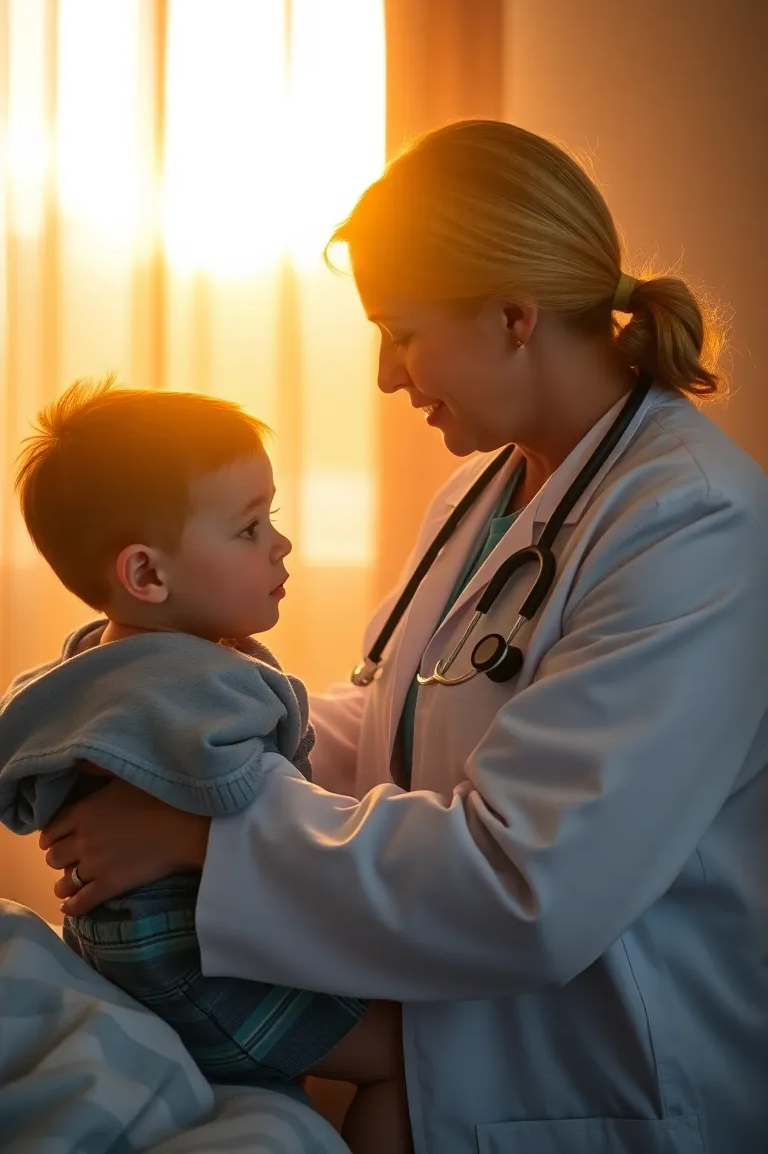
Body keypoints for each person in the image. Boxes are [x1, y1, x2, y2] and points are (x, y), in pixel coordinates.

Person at [41, 121, 768, 1154]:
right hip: (461, 1038)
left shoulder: (696, 525)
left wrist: (204, 832)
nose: (387, 375)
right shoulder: (484, 491)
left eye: (402, 331)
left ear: (514, 315)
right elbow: (389, 719)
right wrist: (177, 751)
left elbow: (533, 885)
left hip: (610, 1072)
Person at [0, 381, 411, 1154]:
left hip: (124, 953)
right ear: (148, 576)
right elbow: (257, 803)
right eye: (250, 527)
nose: (280, 545)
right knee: (409, 1059)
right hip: (196, 976)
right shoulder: (206, 687)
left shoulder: (92, 663)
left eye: (273, 518)